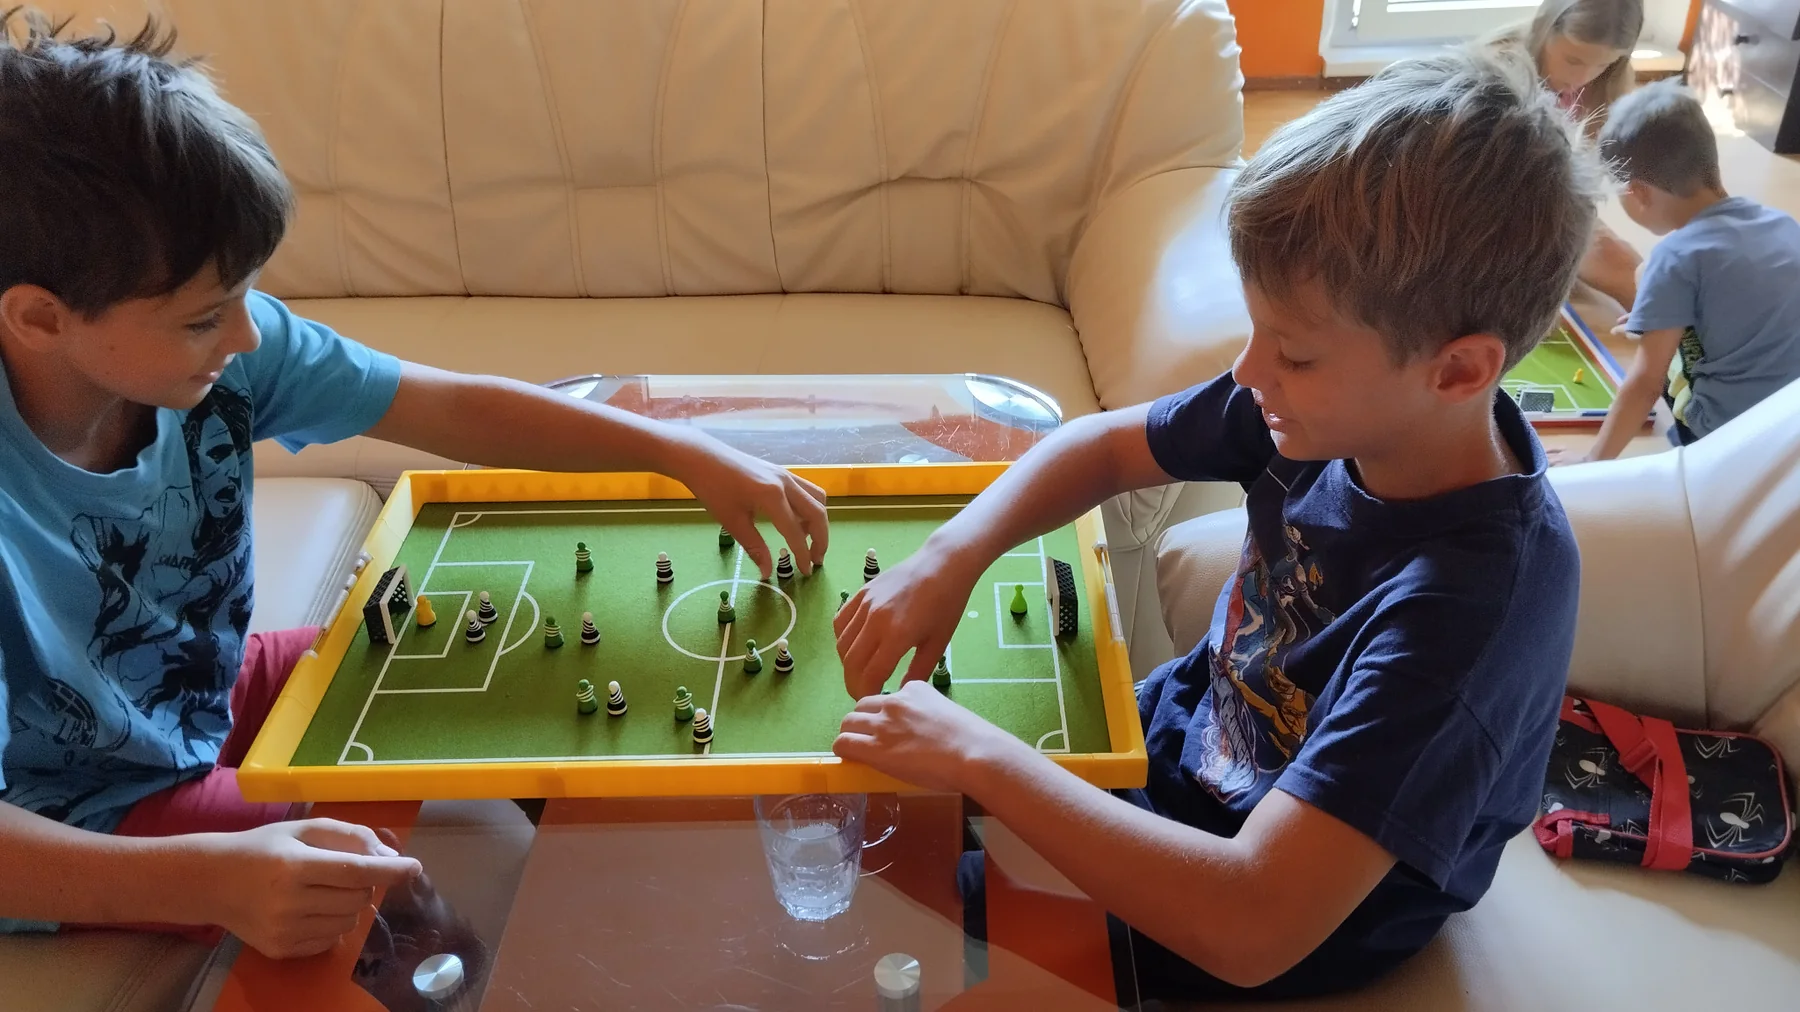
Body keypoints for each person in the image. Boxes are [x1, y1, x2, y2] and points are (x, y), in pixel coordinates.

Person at [0, 13, 828, 959]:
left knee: (538, 676)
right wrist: (217, 876)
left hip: (209, 694)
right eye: (203, 319)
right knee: (405, 887)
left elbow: (449, 407)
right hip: (80, 811)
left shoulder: (218, 352)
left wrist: (681, 454)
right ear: (40, 318)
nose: (248, 341)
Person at [832, 48, 1603, 1002]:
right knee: (874, 832)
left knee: (887, 933)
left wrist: (978, 758)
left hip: (1273, 906)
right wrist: (950, 557)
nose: (1247, 375)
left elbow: (1253, 924)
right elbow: (1101, 449)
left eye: (1293, 351)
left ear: (1456, 371)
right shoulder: (1325, 408)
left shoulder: (1472, 614)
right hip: (1182, 751)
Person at [1562, 81, 1800, 462]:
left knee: (1658, 349)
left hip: (1723, 438)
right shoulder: (1783, 224)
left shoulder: (1672, 258)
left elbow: (1644, 384)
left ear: (1638, 192)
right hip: (1786, 427)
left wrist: (1592, 463)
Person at [1492, 0, 1648, 308]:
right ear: (1544, 30)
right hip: (1493, 216)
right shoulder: (1497, 74)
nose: (1584, 77)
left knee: (1633, 266)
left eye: (1603, 65)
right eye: (1573, 60)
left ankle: (1697, 330)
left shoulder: (1606, 85)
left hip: (1552, 209)